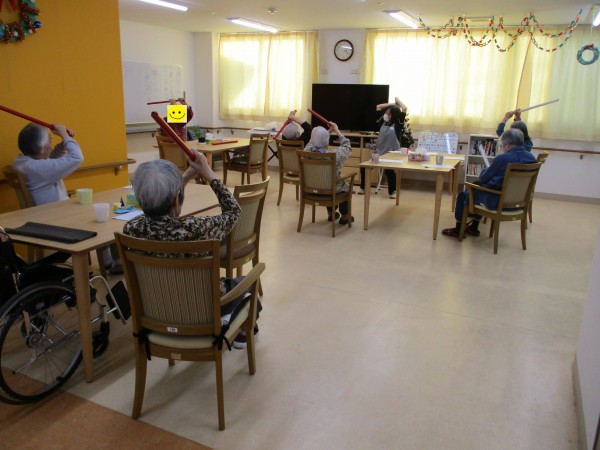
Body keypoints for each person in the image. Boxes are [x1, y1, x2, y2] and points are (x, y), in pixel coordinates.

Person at [123, 153, 258, 349]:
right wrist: (208, 172)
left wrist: (186, 176)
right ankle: (238, 329)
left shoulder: (131, 228)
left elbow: (165, 204)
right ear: (176, 199)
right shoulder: (196, 229)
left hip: (157, 309)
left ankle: (231, 319)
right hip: (202, 308)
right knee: (247, 282)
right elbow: (234, 211)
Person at [442, 128, 537, 238]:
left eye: (502, 145)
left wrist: (488, 169)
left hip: (498, 201)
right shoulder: (531, 158)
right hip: (520, 204)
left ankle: (459, 230)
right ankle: (473, 228)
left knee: (464, 195)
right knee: (477, 187)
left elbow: (483, 177)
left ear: (507, 145)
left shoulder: (502, 158)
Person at [13, 123, 83, 206]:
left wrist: (65, 142)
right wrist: (65, 136)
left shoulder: (23, 162)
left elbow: (51, 159)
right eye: (49, 141)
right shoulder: (39, 168)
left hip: (47, 208)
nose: (51, 146)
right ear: (41, 146)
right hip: (55, 210)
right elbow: (77, 158)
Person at [304, 122, 353, 224]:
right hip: (330, 190)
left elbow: (312, 142)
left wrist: (328, 131)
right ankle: (345, 216)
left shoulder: (306, 151)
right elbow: (347, 146)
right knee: (344, 186)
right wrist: (336, 130)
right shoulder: (335, 155)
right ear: (327, 141)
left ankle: (331, 214)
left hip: (312, 188)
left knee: (326, 182)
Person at [358, 97, 408, 199]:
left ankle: (392, 192)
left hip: (391, 155)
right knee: (364, 167)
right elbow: (378, 107)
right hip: (378, 153)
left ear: (394, 115)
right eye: (386, 113)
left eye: (389, 114)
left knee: (389, 172)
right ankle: (363, 188)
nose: (386, 115)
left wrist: (397, 102)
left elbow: (404, 108)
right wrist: (392, 104)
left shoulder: (398, 124)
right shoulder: (382, 122)